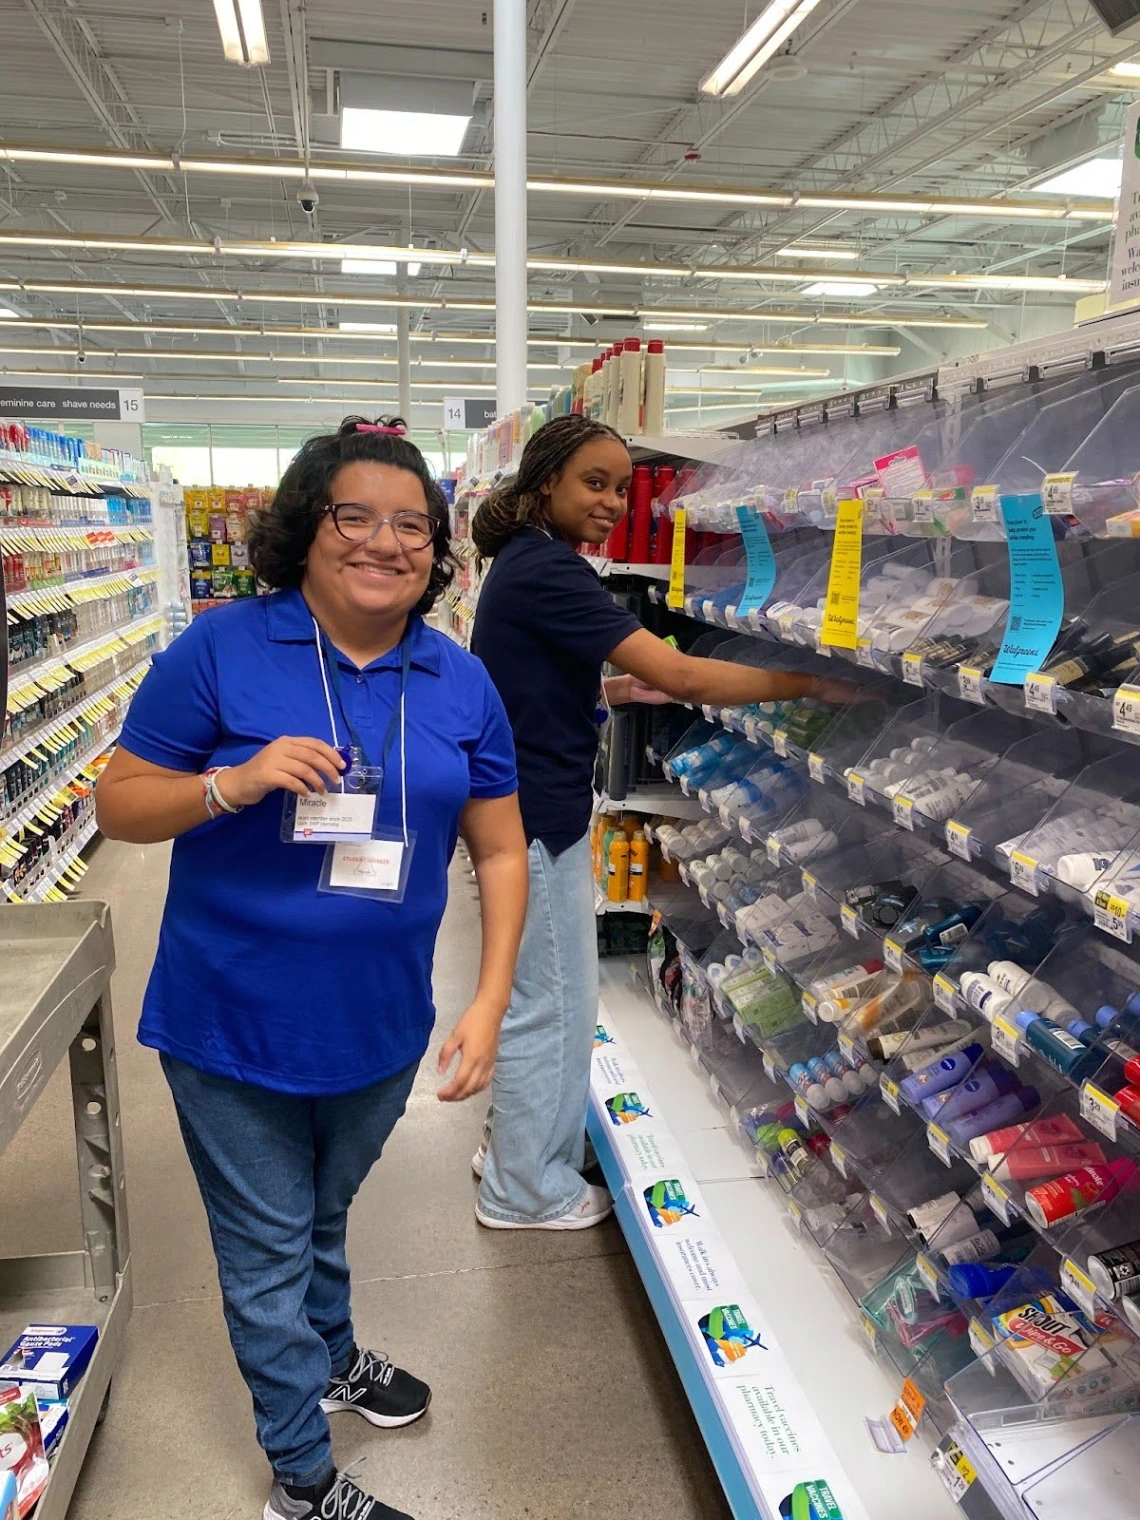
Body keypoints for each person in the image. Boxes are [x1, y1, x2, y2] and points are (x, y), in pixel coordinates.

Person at [96, 417, 528, 1520]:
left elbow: (500, 844)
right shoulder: (223, 648)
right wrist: (229, 785)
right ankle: (300, 1475)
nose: (387, 541)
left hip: (380, 1024)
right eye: (357, 515)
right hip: (231, 1021)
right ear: (306, 527)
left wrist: (487, 1000)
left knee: (321, 1210)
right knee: (268, 1247)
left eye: (414, 525)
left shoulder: (457, 678)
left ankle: (332, 1355)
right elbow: (120, 799)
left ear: (438, 550)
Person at [469, 414, 858, 1231]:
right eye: (594, 483)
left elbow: (527, 681)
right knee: (553, 1000)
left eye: (621, 486)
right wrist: (809, 684)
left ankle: (515, 1148)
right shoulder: (550, 570)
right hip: (536, 817)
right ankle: (523, 1191)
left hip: (525, 804)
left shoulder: (529, 561)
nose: (612, 502)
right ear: (547, 484)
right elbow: (685, 672)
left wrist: (607, 694)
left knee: (543, 994)